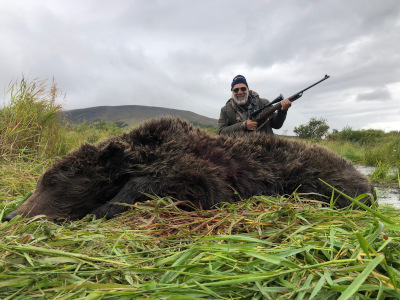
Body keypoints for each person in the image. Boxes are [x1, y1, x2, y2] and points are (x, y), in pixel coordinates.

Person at [218, 75, 291, 135]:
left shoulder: (264, 103)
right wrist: (242, 126)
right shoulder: (225, 110)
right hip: (238, 151)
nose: (240, 92)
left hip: (266, 149)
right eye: (236, 90)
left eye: (243, 89)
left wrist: (282, 111)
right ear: (232, 92)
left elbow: (276, 125)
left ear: (248, 90)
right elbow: (221, 132)